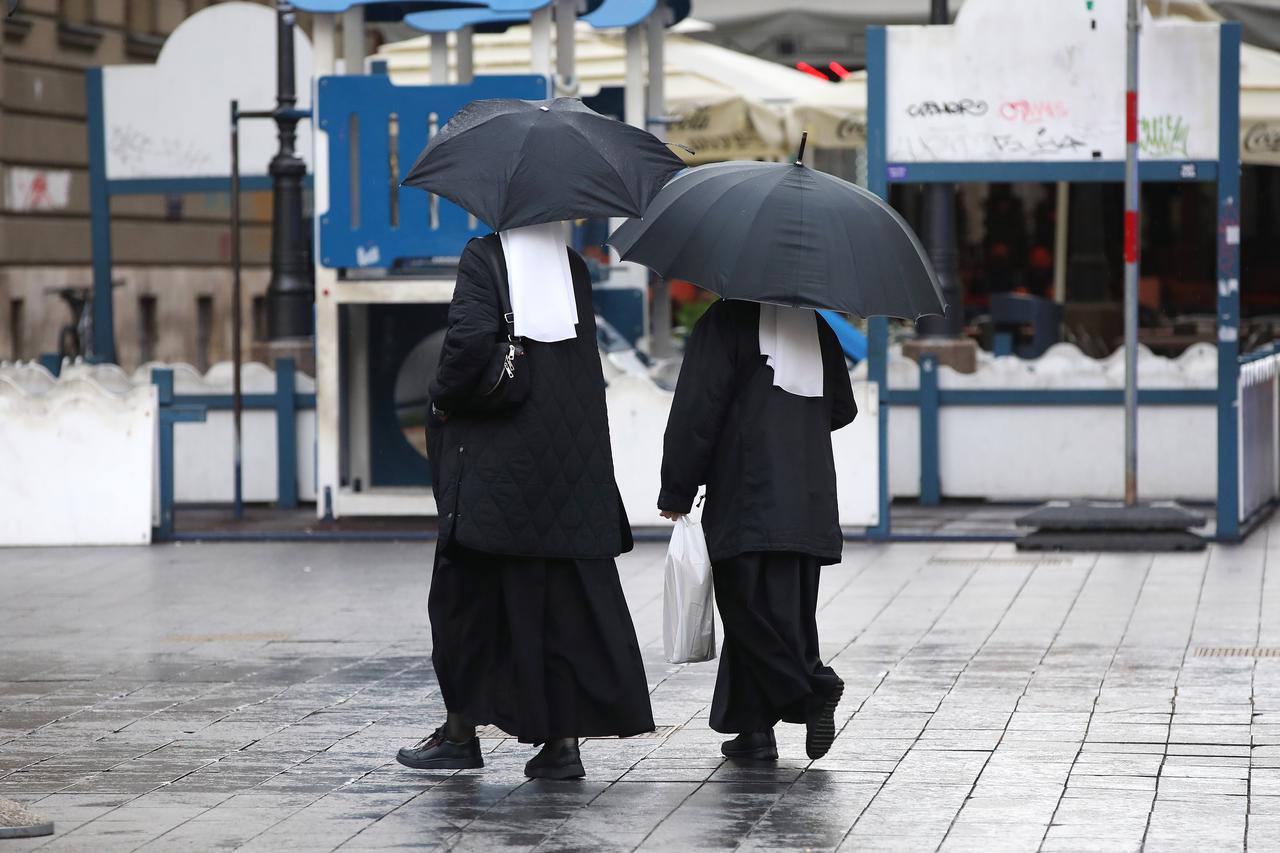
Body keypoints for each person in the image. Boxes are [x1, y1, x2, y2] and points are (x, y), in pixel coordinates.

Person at [398, 221, 654, 780]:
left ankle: (461, 735)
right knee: (558, 607)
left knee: (464, 601)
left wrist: (440, 398)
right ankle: (562, 746)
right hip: (569, 467)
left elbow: (467, 344)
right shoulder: (573, 268)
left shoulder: (483, 257)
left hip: (499, 468)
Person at [658, 299, 855, 761]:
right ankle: (753, 731)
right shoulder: (817, 327)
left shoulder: (725, 321)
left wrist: (676, 490)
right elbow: (842, 408)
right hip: (807, 497)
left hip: (747, 495)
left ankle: (814, 689)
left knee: (747, 612)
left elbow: (696, 412)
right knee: (787, 613)